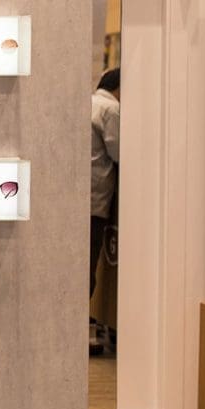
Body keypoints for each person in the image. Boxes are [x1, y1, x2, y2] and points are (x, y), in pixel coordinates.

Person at [90, 68, 120, 316]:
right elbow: (120, 153)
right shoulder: (111, 109)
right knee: (88, 264)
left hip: (83, 197)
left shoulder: (89, 102)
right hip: (95, 199)